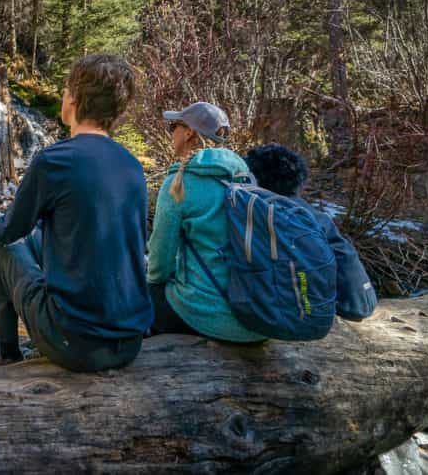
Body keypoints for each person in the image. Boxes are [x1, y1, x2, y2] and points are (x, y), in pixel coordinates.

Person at [0, 54, 153, 371]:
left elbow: (10, 231)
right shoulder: (132, 165)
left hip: (75, 344)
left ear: (73, 99)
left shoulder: (54, 161)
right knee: (37, 240)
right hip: (131, 342)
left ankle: (7, 355)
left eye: (64, 90)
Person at [146, 102, 267, 342]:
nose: (171, 133)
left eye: (174, 126)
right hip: (259, 320)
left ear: (188, 132)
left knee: (144, 290)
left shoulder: (180, 182)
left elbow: (159, 266)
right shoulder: (245, 177)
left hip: (209, 318)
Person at [244, 143, 377, 321]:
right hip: (351, 304)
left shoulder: (254, 212)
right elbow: (343, 254)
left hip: (281, 312)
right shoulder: (313, 216)